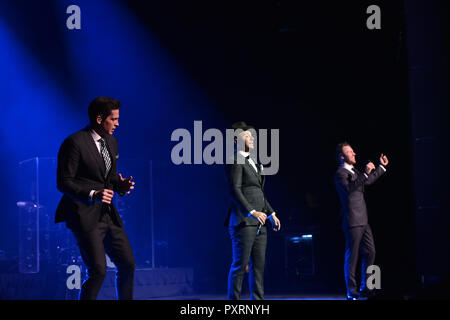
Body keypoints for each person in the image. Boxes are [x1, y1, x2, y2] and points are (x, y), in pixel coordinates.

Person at [55, 96, 136, 300]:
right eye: (114, 119)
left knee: (128, 264)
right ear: (99, 119)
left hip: (107, 214)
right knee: (98, 270)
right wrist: (93, 194)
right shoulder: (74, 142)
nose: (117, 124)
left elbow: (107, 180)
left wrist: (120, 186)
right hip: (83, 214)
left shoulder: (112, 142)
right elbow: (64, 182)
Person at [225, 121, 281, 300]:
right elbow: (235, 190)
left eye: (252, 135)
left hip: (260, 222)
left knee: (258, 267)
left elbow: (259, 192)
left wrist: (271, 213)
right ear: (236, 139)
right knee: (240, 266)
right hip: (243, 221)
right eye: (246, 135)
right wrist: (252, 212)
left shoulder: (254, 162)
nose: (251, 138)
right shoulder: (234, 159)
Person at [334, 142, 389, 300]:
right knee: (352, 257)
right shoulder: (340, 173)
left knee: (371, 252)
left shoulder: (354, 171)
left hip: (363, 219)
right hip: (352, 220)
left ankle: (369, 287)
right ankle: (352, 291)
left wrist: (381, 167)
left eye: (353, 151)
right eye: (350, 152)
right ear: (342, 156)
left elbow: (367, 181)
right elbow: (349, 190)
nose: (354, 154)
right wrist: (364, 174)